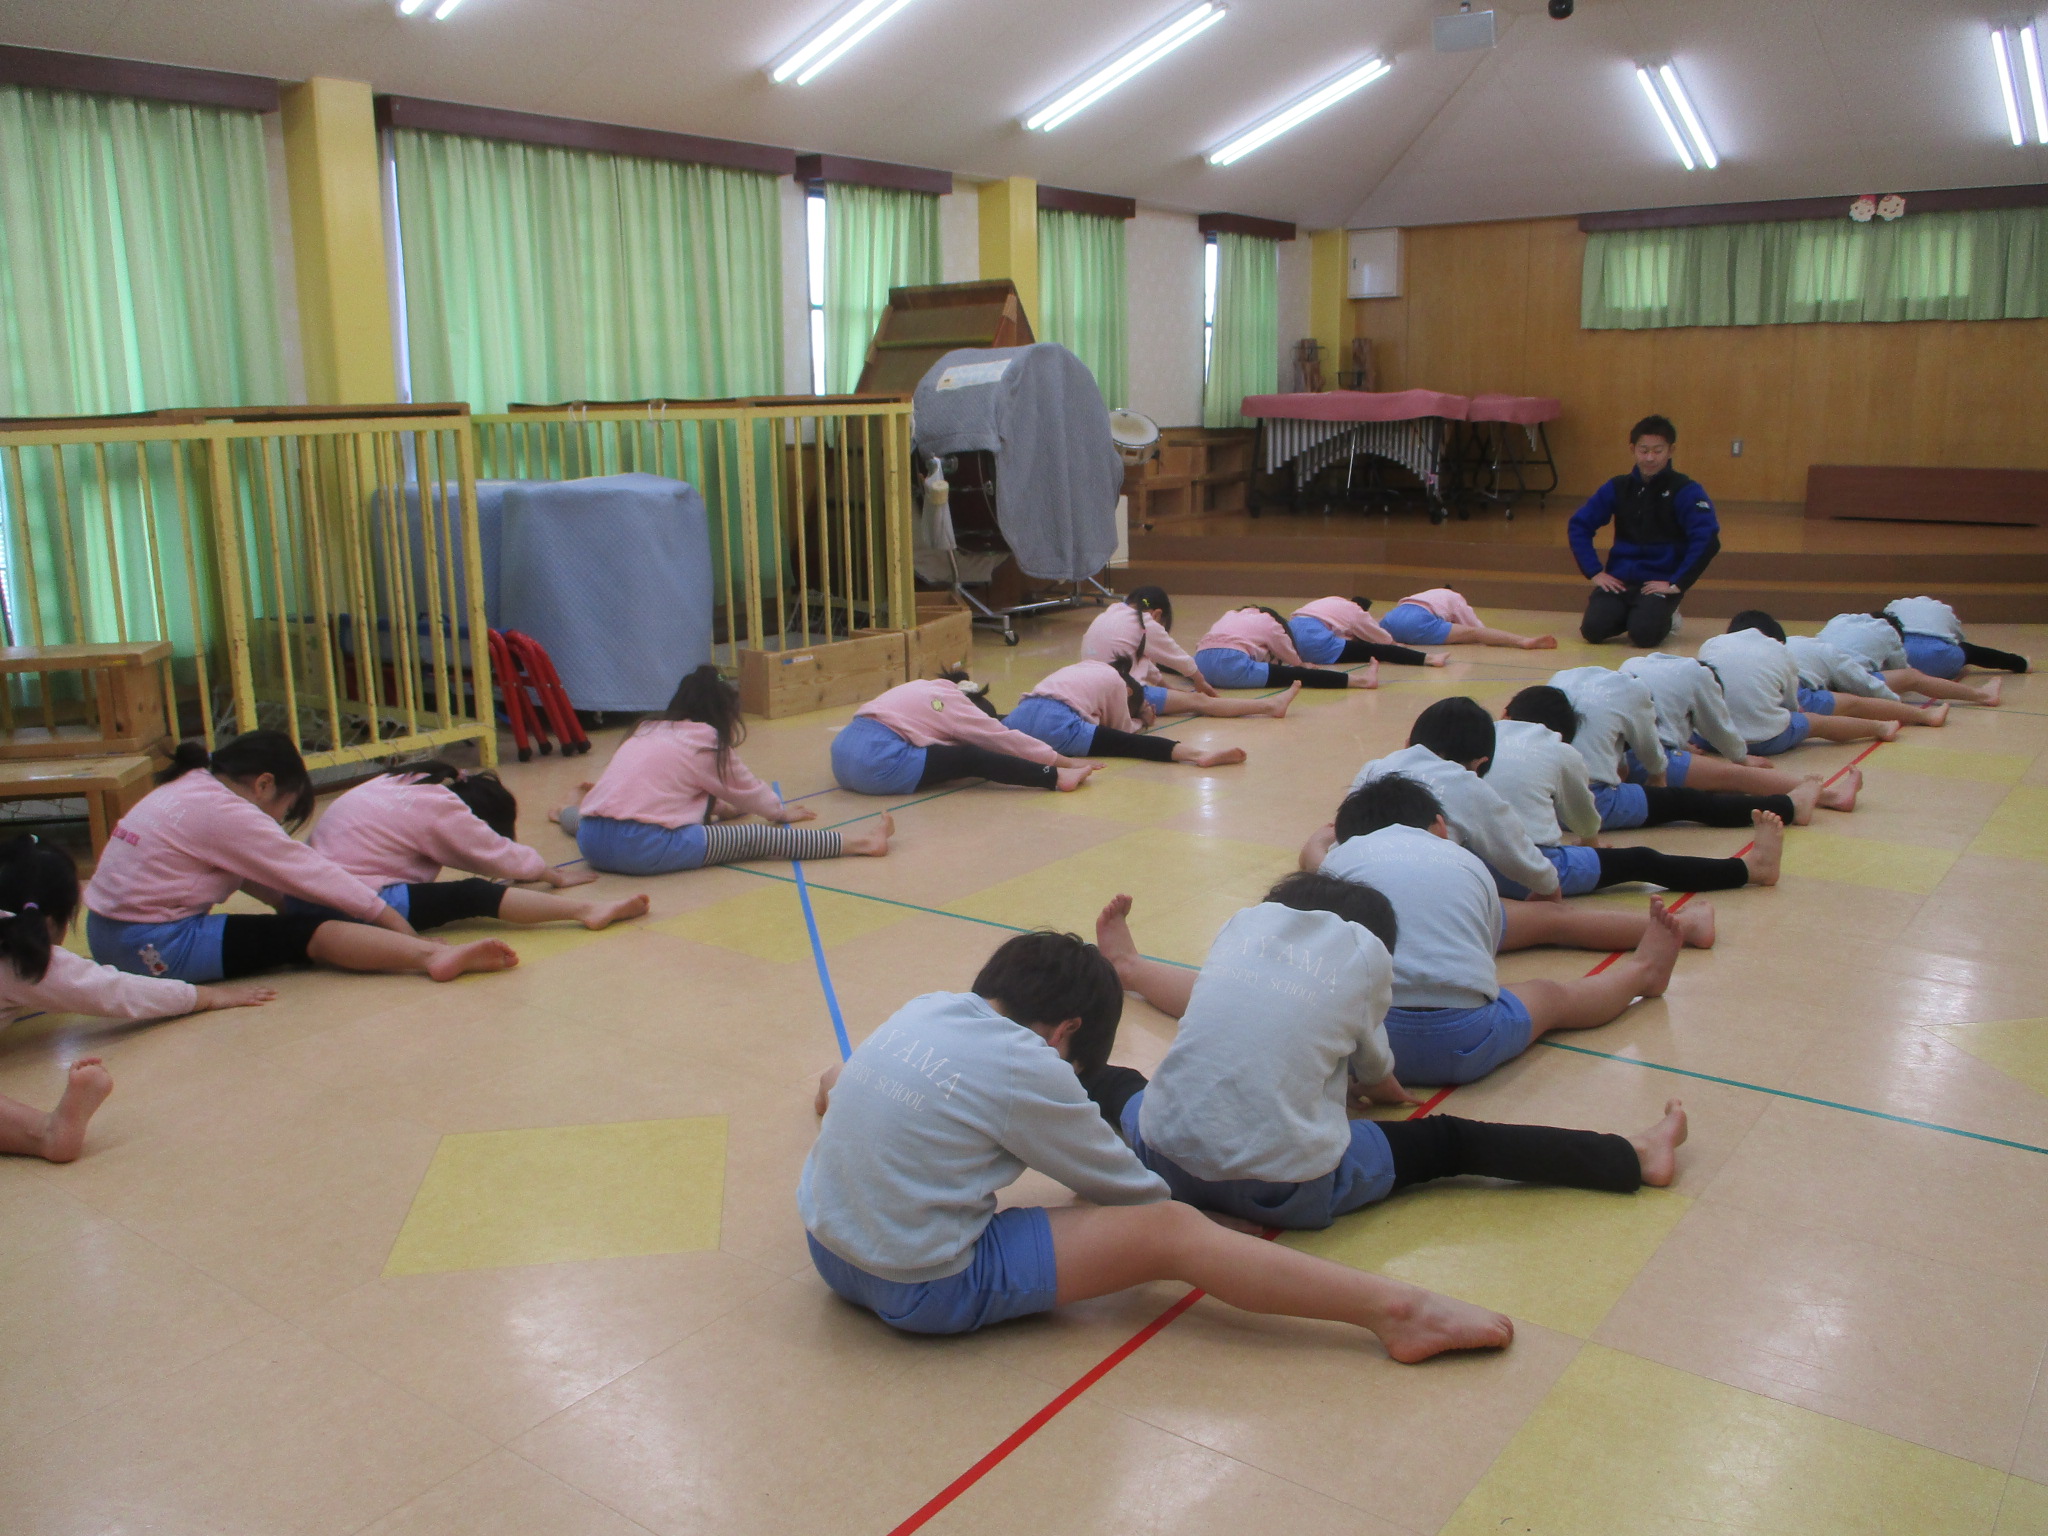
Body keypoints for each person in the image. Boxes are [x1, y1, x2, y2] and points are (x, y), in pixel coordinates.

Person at [800, 928, 1515, 1361]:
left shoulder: (926, 1007)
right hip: (920, 1288)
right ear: (1067, 1034)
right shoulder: (1033, 1064)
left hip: (828, 1251)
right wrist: (1199, 1227)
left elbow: (845, 1081)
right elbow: (1129, 1189)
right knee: (1171, 1228)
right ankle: (1398, 1313)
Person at [1092, 878, 1688, 1230]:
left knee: (1118, 1081)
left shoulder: (1244, 926)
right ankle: (1632, 1156)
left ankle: (1121, 979)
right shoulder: (1366, 956)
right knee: (1453, 1143)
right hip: (1287, 1193)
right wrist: (1386, 1092)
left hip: (1163, 1162)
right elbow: (1376, 1065)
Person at [1315, 775, 1691, 1085]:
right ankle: (1646, 971)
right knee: (1553, 996)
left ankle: (1652, 964)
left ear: (1346, 838)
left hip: (1361, 1051)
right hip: (1463, 1042)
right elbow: (1486, 945)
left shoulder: (1339, 858)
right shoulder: (1464, 860)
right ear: (1441, 827)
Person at [85, 731, 519, 984]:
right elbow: (311, 872)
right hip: (150, 949)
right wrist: (404, 932)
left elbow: (254, 876)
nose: (277, 820)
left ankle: (411, 951)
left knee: (299, 919)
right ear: (264, 784)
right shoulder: (228, 813)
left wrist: (288, 903)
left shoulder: (193, 785)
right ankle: (428, 961)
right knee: (310, 935)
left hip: (107, 935)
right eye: (283, 808)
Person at [0, 835, 275, 1162]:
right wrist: (204, 996)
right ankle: (45, 1134)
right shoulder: (25, 959)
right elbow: (115, 991)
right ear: (50, 922)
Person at [560, 667, 893, 873]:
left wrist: (721, 809)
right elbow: (746, 789)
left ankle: (565, 812)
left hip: (591, 838)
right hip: (644, 849)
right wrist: (778, 813)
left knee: (596, 817)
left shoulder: (648, 727)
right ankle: (862, 844)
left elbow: (669, 791)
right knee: (758, 839)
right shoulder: (706, 739)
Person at [309, 762, 650, 930]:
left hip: (309, 891)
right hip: (353, 903)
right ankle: (585, 912)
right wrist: (553, 876)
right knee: (471, 893)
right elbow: (494, 853)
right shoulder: (442, 807)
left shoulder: (401, 781)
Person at [1484, 708, 1785, 896]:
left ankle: (1787, 807)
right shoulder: (1559, 750)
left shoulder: (1483, 741)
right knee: (1642, 861)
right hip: (1526, 870)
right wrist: (1589, 844)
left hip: (1476, 866)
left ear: (1507, 713)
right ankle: (1751, 868)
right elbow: (1586, 822)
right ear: (1563, 736)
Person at [1309, 697, 1561, 898]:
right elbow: (1517, 854)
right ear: (1479, 764)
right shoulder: (1468, 784)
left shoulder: (1376, 766)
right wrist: (1550, 888)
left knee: (1325, 859)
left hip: (1346, 891)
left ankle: (1315, 849)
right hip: (1415, 898)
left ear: (1408, 743)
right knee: (1550, 920)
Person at [1536, 675, 1847, 828]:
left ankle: (1824, 796)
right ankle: (1811, 800)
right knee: (1705, 794)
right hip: (1587, 801)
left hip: (1543, 796)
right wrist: (1659, 789)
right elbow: (1653, 756)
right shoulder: (1636, 695)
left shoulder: (1570, 679)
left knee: (1720, 777)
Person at [1569, 414, 1719, 648]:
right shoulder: (1618, 487)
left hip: (1659, 580)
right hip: (1620, 579)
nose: (1650, 458)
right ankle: (1633, 612)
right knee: (1593, 630)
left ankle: (1667, 616)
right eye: (1644, 450)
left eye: (1657, 451)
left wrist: (1677, 582)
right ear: (1633, 449)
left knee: (1644, 635)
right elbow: (1579, 524)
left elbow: (1707, 538)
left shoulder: (1686, 490)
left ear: (1670, 450)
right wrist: (1594, 571)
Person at [831, 674, 1099, 797]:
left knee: (951, 759)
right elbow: (1000, 738)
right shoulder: (951, 701)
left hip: (843, 756)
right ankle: (1056, 780)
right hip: (876, 764)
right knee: (971, 757)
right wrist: (1059, 761)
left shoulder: (923, 689)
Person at [1003, 659, 1267, 768]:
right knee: (1134, 745)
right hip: (1059, 725)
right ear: (1131, 693)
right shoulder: (1120, 685)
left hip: (1021, 714)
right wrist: (1141, 721)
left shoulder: (1088, 666)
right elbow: (1121, 730)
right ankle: (1199, 755)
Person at [1698, 614, 1895, 755]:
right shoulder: (1782, 651)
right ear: (1777, 639)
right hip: (1763, 742)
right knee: (1818, 723)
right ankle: (1879, 728)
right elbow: (1792, 703)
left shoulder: (1712, 643)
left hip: (1710, 740)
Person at [1818, 610, 2005, 707]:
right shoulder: (1889, 632)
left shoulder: (1839, 619)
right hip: (1842, 679)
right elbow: (1903, 669)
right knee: (1913, 677)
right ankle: (1982, 695)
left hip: (1817, 675)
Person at [1777, 636, 1950, 729]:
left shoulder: (1801, 642)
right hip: (1795, 691)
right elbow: (1867, 686)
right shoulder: (1829, 652)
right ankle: (1925, 716)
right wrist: (1894, 703)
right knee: (1857, 705)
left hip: (1780, 690)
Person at [1193, 607, 1379, 691]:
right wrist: (1299, 664)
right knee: (1302, 676)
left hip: (1200, 661)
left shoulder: (1229, 615)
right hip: (1233, 664)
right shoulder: (1268, 621)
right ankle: (1362, 681)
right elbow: (1282, 646)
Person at [1079, 587, 1215, 696]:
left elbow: (1142, 662)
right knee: (1198, 701)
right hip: (1120, 692)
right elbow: (1178, 657)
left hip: (1089, 687)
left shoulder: (1109, 613)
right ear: (1157, 615)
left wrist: (1165, 687)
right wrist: (1199, 680)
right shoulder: (1144, 621)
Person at [1883, 596, 2030, 680]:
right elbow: (1958, 637)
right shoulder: (1943, 609)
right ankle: (2019, 663)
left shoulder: (1894, 606)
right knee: (1969, 651)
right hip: (1941, 660)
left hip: (1899, 665)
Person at [1288, 597, 1448, 669]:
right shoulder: (1354, 610)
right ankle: (1429, 659)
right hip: (1316, 641)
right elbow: (1382, 639)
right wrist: (1397, 645)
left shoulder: (1330, 602)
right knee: (1378, 651)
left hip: (1292, 635)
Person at [1376, 588, 1556, 651]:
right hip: (1420, 620)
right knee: (1476, 633)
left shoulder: (1425, 594)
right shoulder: (1455, 597)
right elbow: (1475, 629)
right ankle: (1522, 641)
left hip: (1393, 618)